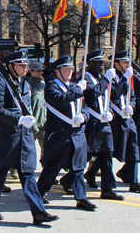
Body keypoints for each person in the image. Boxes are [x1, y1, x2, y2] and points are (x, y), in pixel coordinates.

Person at [0, 50, 58, 225]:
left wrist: (27, 120)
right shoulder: (0, 84)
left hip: (24, 138)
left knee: (28, 175)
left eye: (26, 65)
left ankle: (38, 212)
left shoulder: (24, 84)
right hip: (6, 138)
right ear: (11, 67)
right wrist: (18, 119)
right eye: (21, 65)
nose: (26, 68)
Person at [37, 55, 96, 211]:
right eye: (65, 69)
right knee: (53, 166)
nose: (69, 72)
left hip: (77, 133)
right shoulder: (51, 87)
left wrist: (84, 116)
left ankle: (81, 198)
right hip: (60, 134)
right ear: (57, 71)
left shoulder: (74, 86)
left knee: (78, 167)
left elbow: (86, 107)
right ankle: (40, 191)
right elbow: (60, 100)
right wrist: (78, 90)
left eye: (71, 69)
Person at [102, 51, 140, 193]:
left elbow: (133, 96)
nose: (128, 64)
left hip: (127, 118)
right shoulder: (111, 77)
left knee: (133, 148)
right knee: (110, 150)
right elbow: (114, 94)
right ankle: (91, 173)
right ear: (116, 63)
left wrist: (132, 107)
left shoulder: (128, 78)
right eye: (124, 62)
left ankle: (134, 182)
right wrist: (124, 80)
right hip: (114, 119)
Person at [82, 49, 124, 200]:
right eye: (98, 63)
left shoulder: (103, 77)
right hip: (92, 123)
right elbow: (93, 94)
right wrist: (106, 80)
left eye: (103, 63)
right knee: (85, 156)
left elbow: (115, 94)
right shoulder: (84, 78)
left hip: (104, 123)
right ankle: (67, 180)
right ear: (90, 64)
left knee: (107, 156)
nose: (102, 65)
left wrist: (124, 78)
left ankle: (108, 188)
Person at [28, 61, 47, 165]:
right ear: (31, 71)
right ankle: (16, 169)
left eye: (41, 70)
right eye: (38, 70)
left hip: (43, 123)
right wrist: (32, 124)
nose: (40, 72)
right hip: (32, 125)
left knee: (46, 149)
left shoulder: (43, 84)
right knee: (27, 150)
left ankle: (46, 171)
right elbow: (28, 106)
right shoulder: (28, 85)